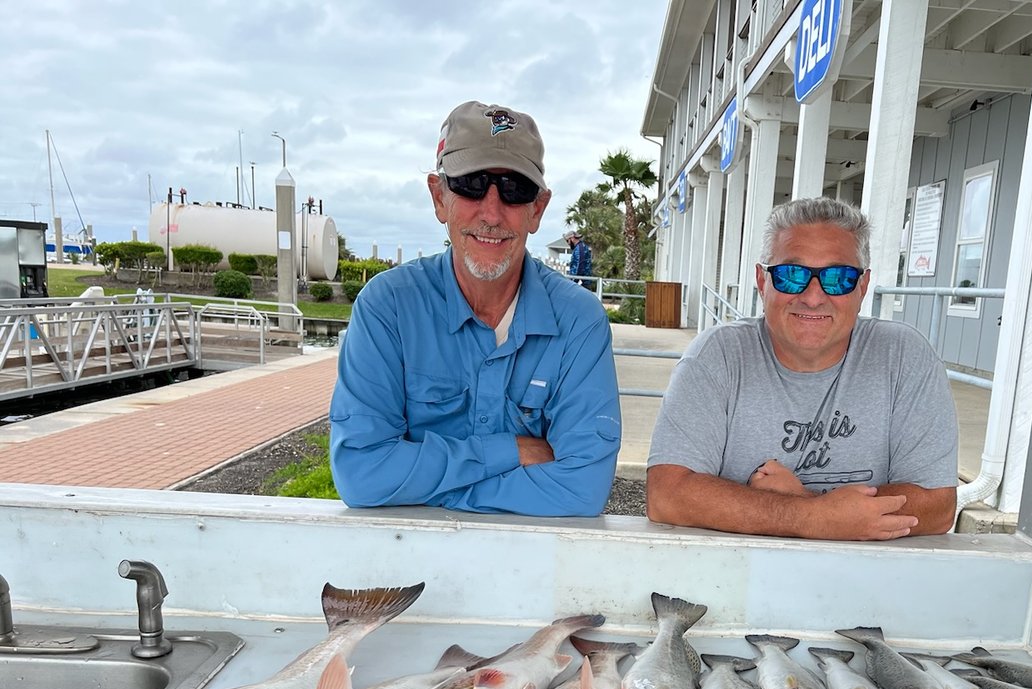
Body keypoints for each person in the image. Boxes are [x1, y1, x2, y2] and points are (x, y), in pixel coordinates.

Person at [328, 101, 622, 516]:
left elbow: (582, 490)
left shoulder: (579, 320)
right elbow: (360, 473)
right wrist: (511, 451)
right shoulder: (388, 306)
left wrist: (425, 488)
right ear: (439, 197)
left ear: (537, 209)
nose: (491, 212)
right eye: (470, 183)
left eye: (515, 190)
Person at [646, 197, 958, 541]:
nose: (812, 296)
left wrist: (807, 504)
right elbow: (667, 495)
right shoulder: (718, 355)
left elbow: (937, 504)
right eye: (791, 276)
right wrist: (813, 518)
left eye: (838, 278)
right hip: (738, 578)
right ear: (762, 281)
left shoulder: (904, 356)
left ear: (863, 286)